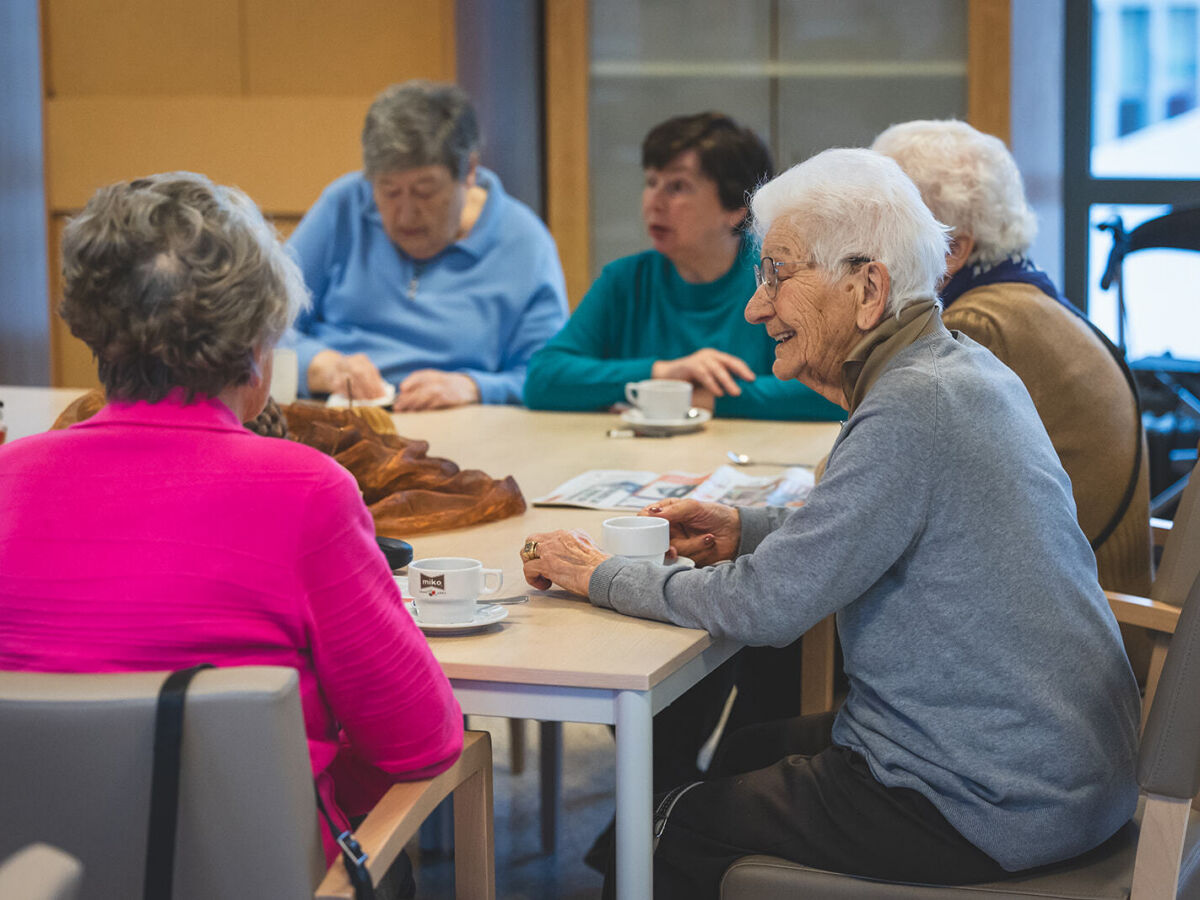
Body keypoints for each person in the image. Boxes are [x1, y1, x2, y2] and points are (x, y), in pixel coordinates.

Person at [519, 149, 1139, 898]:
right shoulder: (954, 369)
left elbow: (765, 606)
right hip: (1054, 775)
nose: (756, 306)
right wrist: (744, 529)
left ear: (868, 287)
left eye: (778, 274)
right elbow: (872, 528)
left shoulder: (914, 407)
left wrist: (598, 574)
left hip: (984, 798)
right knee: (744, 749)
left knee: (664, 823)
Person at [0, 172, 463, 875]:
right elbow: (421, 743)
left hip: (33, 872)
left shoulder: (9, 479)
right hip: (256, 873)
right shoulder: (308, 494)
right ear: (254, 346)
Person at [872, 118, 1151, 596]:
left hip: (1063, 625)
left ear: (953, 248)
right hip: (1080, 600)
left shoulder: (977, 328)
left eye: (880, 225)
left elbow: (884, 498)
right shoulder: (1019, 297)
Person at [524, 112, 842, 421]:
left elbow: (833, 390)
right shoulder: (626, 280)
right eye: (651, 182)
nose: (653, 202)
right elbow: (542, 379)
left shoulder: (779, 278)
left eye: (677, 187)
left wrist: (707, 398)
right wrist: (661, 374)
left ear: (734, 207)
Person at [285, 80, 568, 409]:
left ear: (469, 172)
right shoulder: (344, 205)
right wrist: (317, 364)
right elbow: (256, 325)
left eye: (425, 191)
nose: (405, 215)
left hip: (462, 425)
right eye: (389, 192)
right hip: (333, 413)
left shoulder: (524, 243)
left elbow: (548, 375)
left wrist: (474, 387)